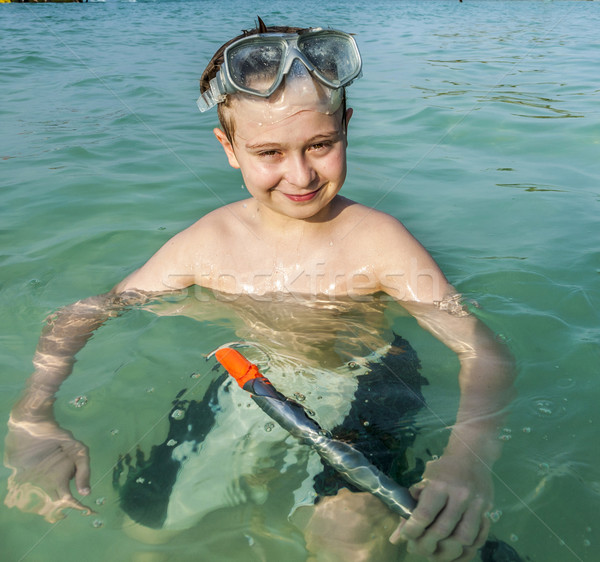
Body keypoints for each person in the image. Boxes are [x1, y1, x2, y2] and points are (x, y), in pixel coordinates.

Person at [4, 19, 515, 562]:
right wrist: (33, 415)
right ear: (229, 147)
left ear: (347, 126)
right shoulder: (209, 242)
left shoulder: (378, 241)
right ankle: (252, 506)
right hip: (255, 377)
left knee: (351, 538)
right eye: (269, 153)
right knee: (144, 529)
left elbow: (483, 352)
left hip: (368, 379)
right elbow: (85, 313)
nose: (300, 175)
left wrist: (467, 456)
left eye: (320, 144)